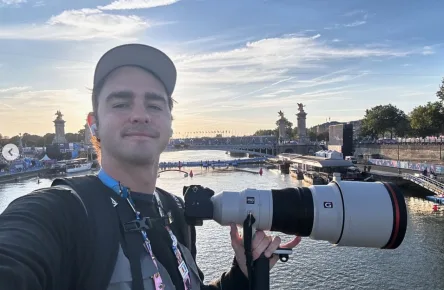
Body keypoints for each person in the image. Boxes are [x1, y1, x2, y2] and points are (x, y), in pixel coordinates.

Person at [0, 44, 301, 290]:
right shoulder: (57, 213)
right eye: (121, 103)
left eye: (155, 105)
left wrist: (242, 275)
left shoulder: (175, 211)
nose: (140, 115)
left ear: (170, 124)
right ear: (94, 125)